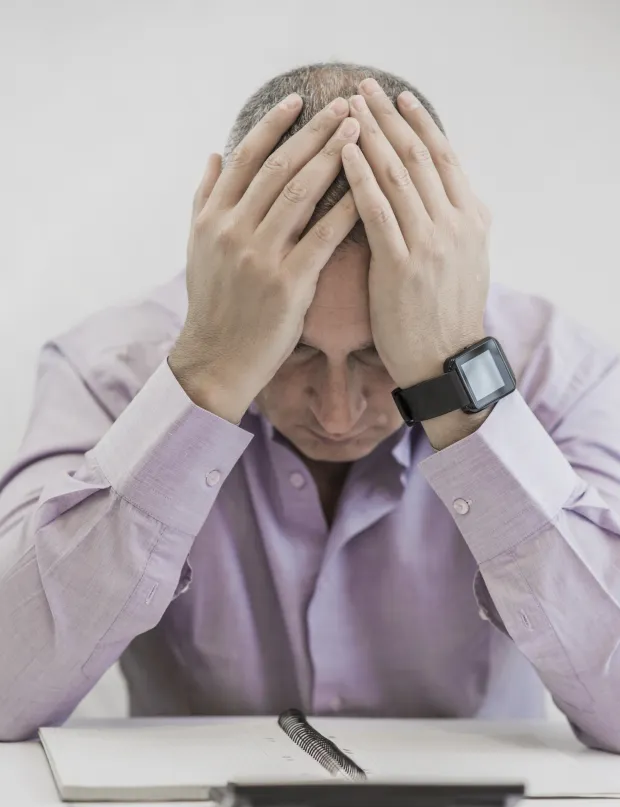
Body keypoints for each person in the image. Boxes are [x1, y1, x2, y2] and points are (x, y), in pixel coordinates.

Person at [1, 61, 619, 749]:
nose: (335, 412)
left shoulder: (562, 376)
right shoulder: (104, 374)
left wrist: (458, 389)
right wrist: (209, 376)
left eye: (380, 356)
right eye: (291, 350)